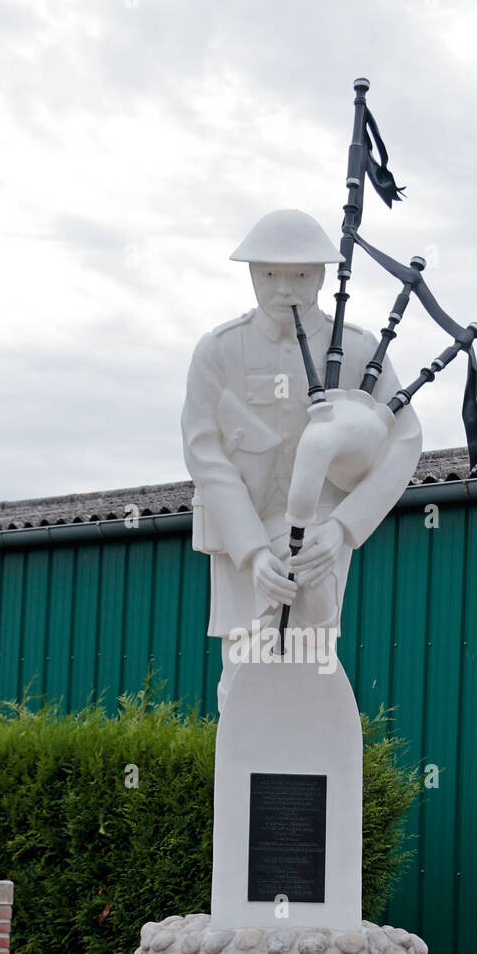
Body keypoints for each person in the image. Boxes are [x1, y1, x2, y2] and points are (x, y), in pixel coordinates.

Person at [181, 209, 422, 711]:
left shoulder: (357, 350)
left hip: (319, 539)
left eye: (298, 275)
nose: (283, 289)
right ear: (250, 273)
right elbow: (206, 453)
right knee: (243, 678)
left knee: (311, 673)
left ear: (320, 276)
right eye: (268, 273)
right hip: (240, 538)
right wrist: (251, 551)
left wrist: (344, 529)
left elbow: (403, 441)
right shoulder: (219, 351)